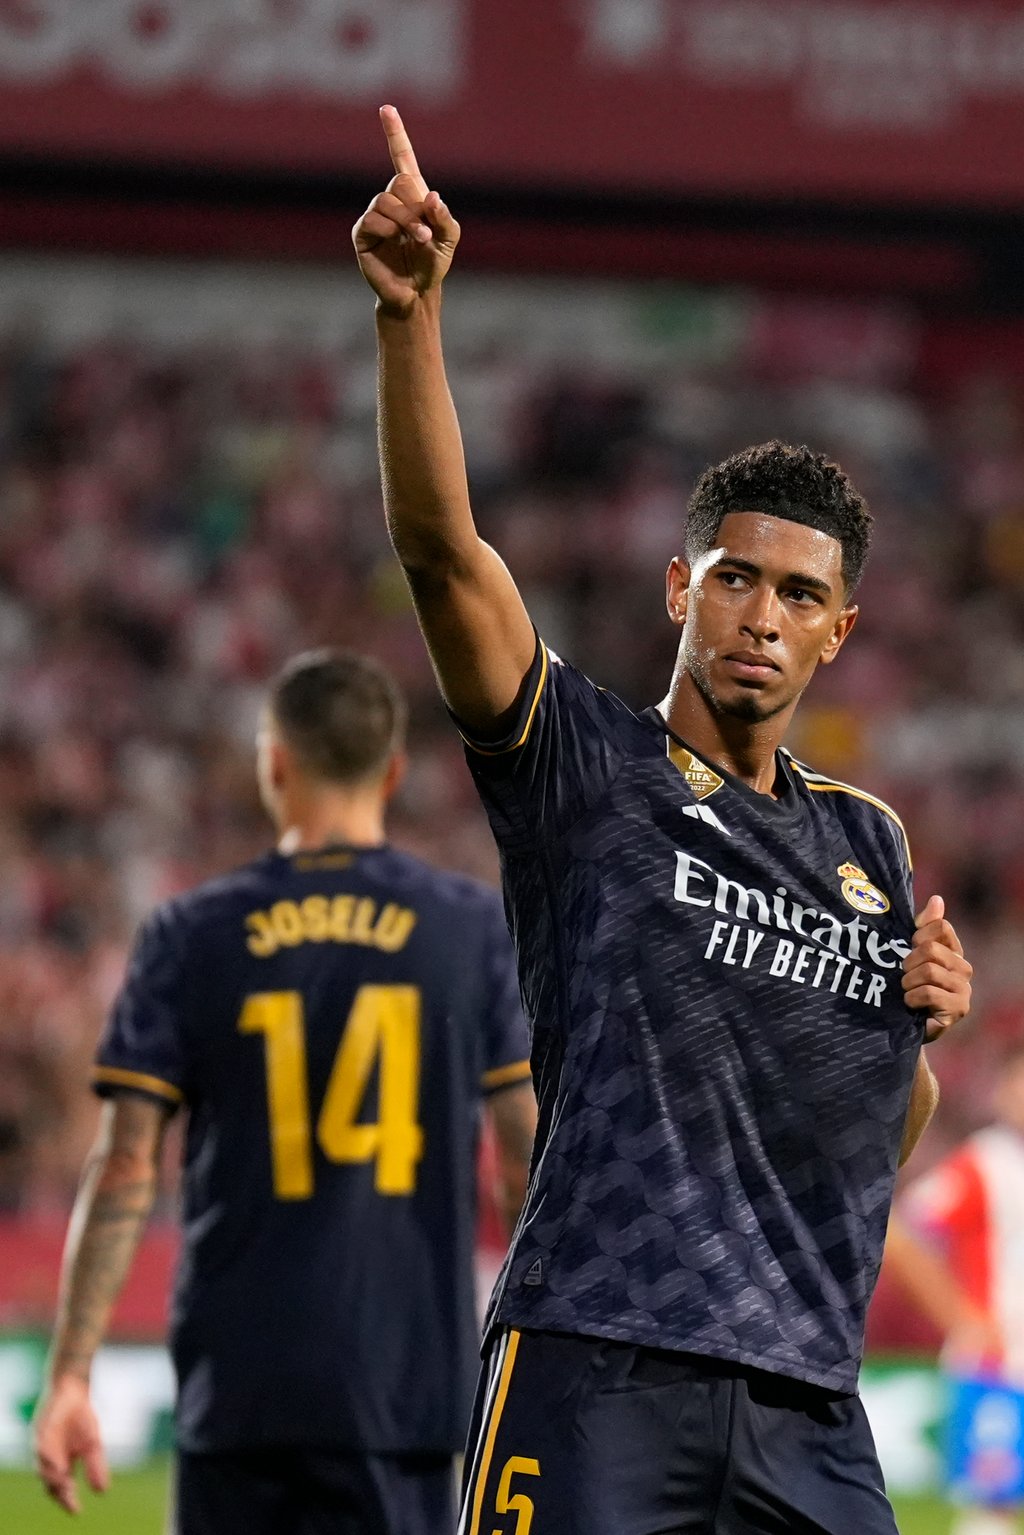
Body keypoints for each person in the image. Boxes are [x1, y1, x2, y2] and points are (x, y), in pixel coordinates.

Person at [352, 107, 975, 1535]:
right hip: (595, 1355)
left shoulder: (869, 844)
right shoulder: (582, 758)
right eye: (741, 580)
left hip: (805, 1392)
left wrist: (923, 1032)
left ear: (841, 632)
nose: (766, 617)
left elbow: (879, 1123)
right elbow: (445, 556)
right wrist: (408, 320)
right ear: (683, 587)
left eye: (802, 596)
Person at [33, 648, 537, 1535]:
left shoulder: (191, 934)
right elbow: (525, 1164)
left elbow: (123, 1168)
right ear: (392, 771)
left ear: (274, 762)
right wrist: (537, 1365)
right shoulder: (466, 931)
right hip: (405, 1388)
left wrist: (72, 1373)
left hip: (239, 1389)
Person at [885, 1046, 1024, 1535]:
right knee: (992, 1507)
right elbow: (903, 1232)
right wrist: (960, 1315)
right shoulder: (985, 1163)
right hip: (1000, 1364)